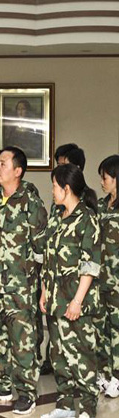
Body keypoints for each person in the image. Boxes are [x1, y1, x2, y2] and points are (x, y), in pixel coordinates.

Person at [0, 147, 47, 415]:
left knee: (22, 341)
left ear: (17, 170)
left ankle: (27, 393)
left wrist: (35, 284)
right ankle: (1, 385)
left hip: (20, 287)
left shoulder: (31, 202)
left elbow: (41, 249)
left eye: (3, 164)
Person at [38, 163, 101, 418]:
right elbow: (47, 258)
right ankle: (64, 406)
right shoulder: (57, 216)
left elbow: (90, 266)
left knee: (82, 357)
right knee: (59, 356)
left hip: (76, 301)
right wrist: (44, 291)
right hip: (55, 300)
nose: (52, 191)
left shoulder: (87, 219)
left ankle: (87, 408)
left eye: (54, 186)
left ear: (66, 188)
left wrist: (77, 301)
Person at [94, 155, 119, 397]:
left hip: (117, 281)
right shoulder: (101, 206)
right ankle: (104, 373)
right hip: (100, 279)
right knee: (101, 328)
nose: (102, 182)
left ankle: (117, 377)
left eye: (105, 177)